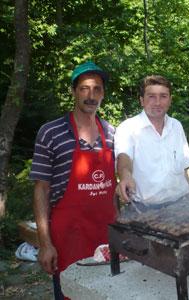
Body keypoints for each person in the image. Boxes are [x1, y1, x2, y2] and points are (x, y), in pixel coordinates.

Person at [30, 61, 116, 299]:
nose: (91, 95)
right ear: (73, 91)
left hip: (106, 233)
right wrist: (45, 244)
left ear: (103, 94)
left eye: (97, 89)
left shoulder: (112, 134)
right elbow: (41, 189)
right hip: (68, 235)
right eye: (84, 88)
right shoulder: (51, 132)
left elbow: (118, 187)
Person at [115, 75, 189, 207]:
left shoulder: (176, 126)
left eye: (163, 96)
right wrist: (125, 176)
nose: (158, 102)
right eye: (151, 96)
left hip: (181, 206)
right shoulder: (128, 128)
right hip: (145, 211)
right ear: (141, 100)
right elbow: (124, 158)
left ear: (170, 100)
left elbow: (184, 169)